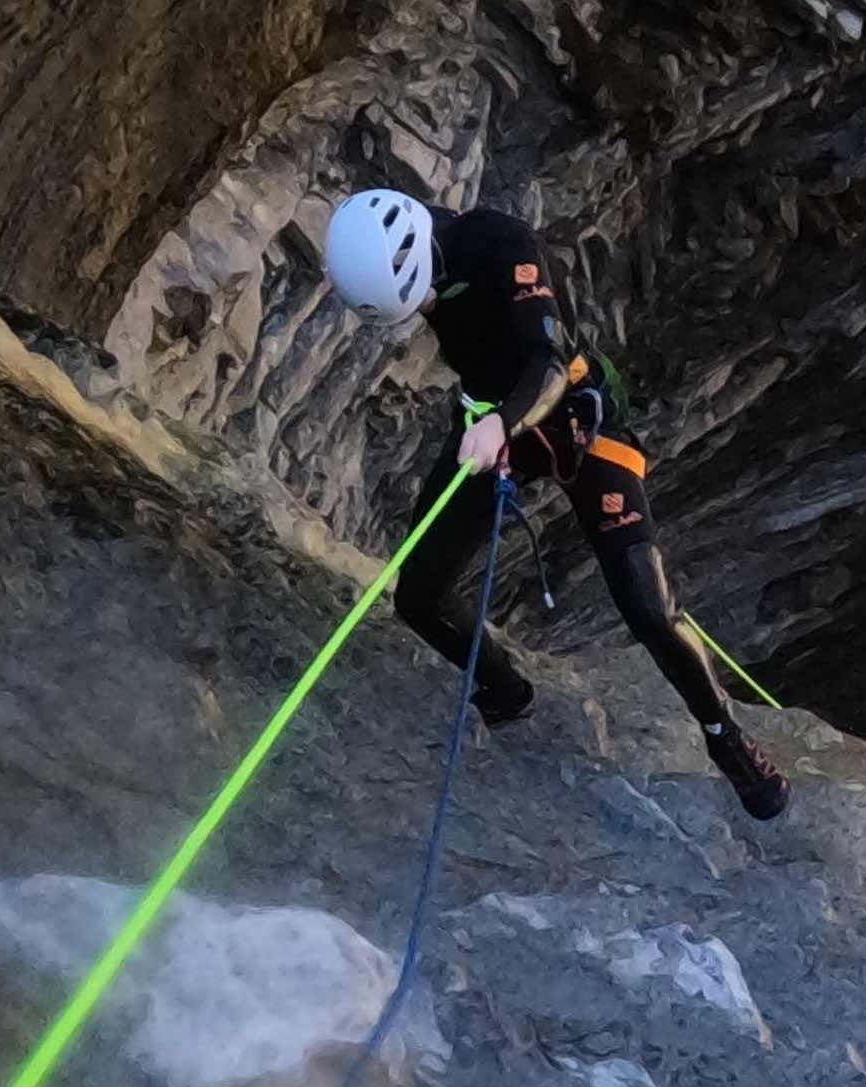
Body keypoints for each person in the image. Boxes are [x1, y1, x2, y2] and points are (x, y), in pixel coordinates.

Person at [321, 188, 787, 820]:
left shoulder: (501, 244)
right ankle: (505, 688)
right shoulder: (381, 253)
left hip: (575, 419)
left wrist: (499, 427)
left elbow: (547, 362)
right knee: (419, 595)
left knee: (649, 608)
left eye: (424, 295)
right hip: (495, 421)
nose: (427, 308)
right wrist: (495, 426)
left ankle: (726, 739)